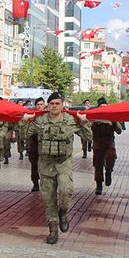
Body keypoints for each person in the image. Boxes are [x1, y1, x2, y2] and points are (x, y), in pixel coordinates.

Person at [20, 92, 91, 245]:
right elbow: (24, 135)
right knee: (49, 199)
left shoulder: (70, 121)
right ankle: (53, 230)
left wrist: (84, 122)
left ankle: (63, 212)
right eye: (51, 104)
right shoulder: (40, 121)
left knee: (66, 191)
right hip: (45, 164)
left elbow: (88, 138)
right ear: (48, 105)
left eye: (57, 104)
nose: (54, 106)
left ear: (62, 105)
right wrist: (24, 121)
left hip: (63, 163)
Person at [91, 97, 123, 195]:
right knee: (98, 165)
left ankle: (109, 172)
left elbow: (119, 131)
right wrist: (94, 122)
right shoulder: (94, 117)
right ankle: (99, 185)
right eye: (101, 106)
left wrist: (114, 121)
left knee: (111, 157)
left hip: (109, 143)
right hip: (98, 144)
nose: (103, 108)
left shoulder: (112, 117)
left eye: (105, 106)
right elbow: (89, 129)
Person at [26, 97, 45, 192]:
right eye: (38, 104)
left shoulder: (48, 116)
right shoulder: (32, 116)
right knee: (34, 165)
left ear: (44, 105)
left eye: (41, 104)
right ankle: (35, 183)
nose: (39, 106)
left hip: (46, 146)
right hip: (34, 145)